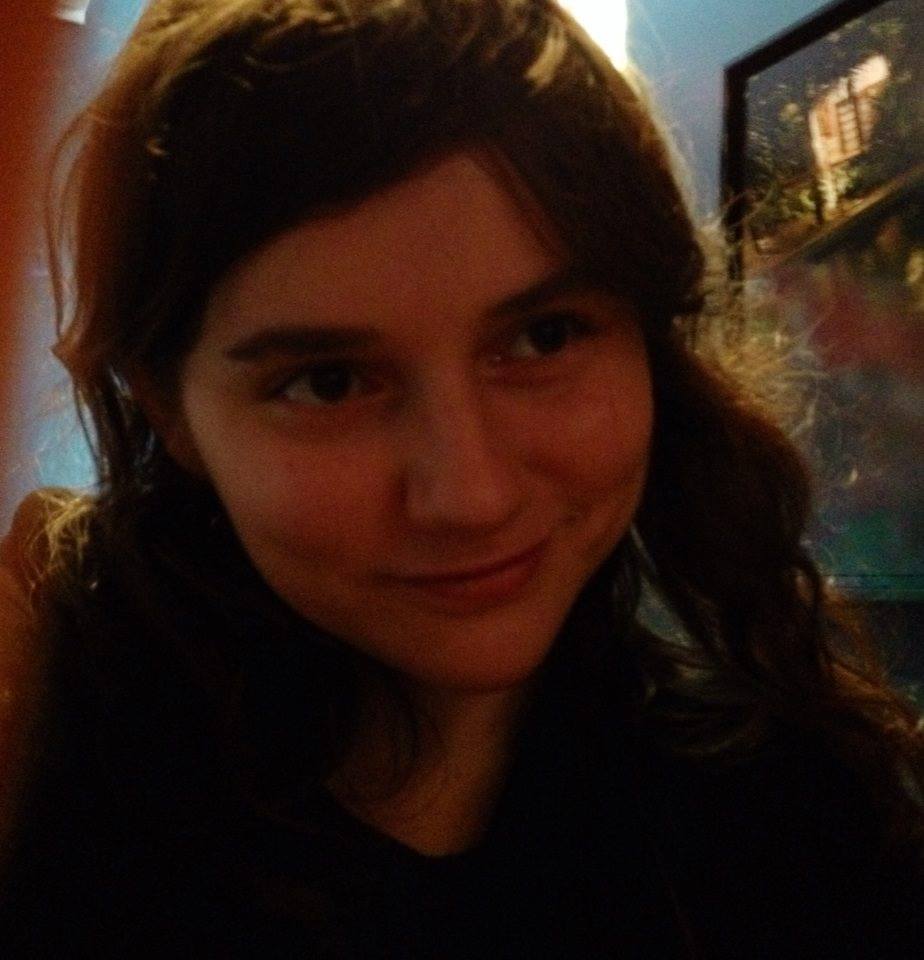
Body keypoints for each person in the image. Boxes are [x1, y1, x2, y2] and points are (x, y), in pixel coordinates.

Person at [0, 0, 921, 955]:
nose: (472, 497)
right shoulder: (45, 808)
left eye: (544, 337)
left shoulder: (794, 829)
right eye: (329, 382)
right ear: (169, 412)